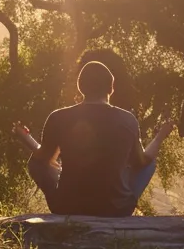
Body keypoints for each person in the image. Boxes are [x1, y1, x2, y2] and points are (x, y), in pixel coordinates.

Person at [15, 60, 175, 217]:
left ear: (80, 87)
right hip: (116, 210)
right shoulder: (127, 120)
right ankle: (121, 198)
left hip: (67, 207)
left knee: (37, 163)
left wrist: (26, 139)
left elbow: (44, 157)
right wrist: (160, 136)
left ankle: (62, 195)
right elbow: (142, 161)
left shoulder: (58, 117)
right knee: (149, 164)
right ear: (111, 88)